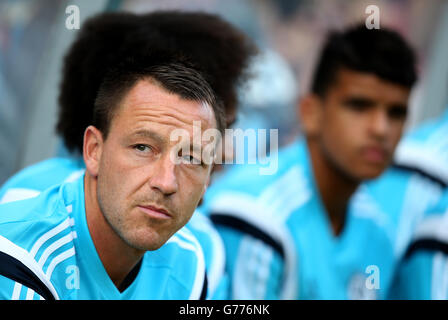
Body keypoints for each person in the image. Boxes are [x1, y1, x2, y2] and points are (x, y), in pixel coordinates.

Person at [0, 11, 256, 299]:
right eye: (143, 147)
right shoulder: (18, 256)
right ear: (94, 150)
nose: (166, 182)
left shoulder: (190, 260)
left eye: (193, 158)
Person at [201, 23, 417, 299]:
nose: (381, 129)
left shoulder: (380, 234)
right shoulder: (257, 215)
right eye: (359, 106)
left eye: (396, 113)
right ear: (310, 112)